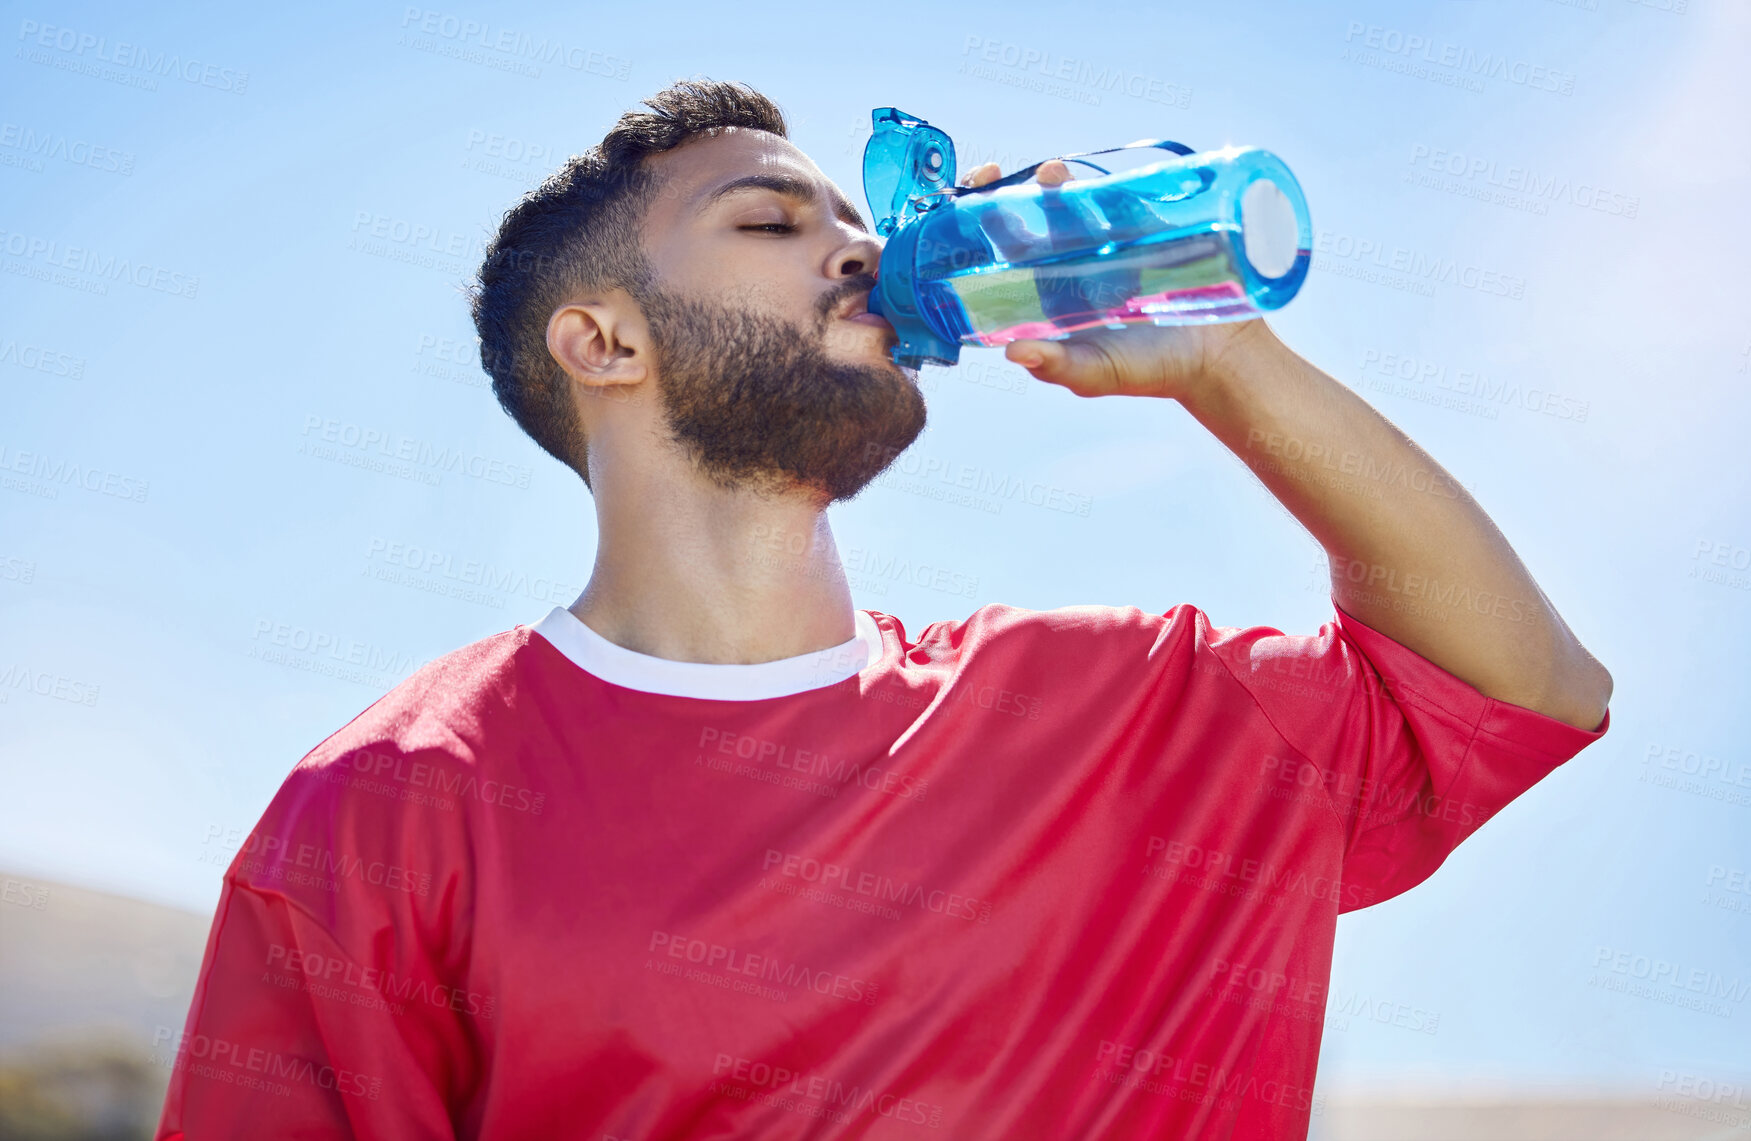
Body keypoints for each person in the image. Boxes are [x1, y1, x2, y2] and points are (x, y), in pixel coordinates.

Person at [155, 79, 1611, 1140]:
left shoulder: (1117, 712)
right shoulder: (383, 811)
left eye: (857, 219)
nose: (858, 249)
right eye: (773, 220)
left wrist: (1230, 362)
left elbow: (1529, 684)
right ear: (602, 340)